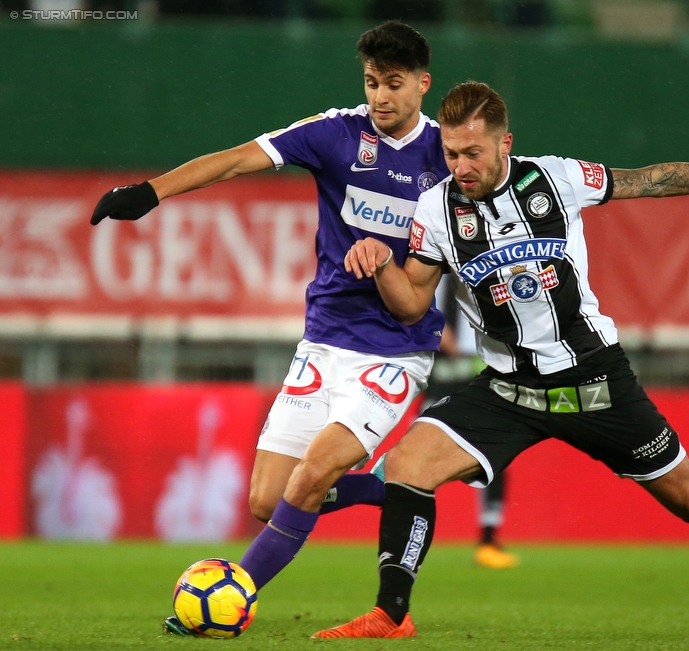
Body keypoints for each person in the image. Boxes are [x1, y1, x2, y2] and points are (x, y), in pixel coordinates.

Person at [326, 81, 689, 640]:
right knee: (409, 464)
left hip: (594, 379)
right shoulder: (434, 210)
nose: (461, 165)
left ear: (506, 143)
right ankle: (391, 614)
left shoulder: (556, 179)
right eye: (452, 153)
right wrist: (383, 263)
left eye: (473, 153)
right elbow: (411, 305)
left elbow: (652, 179)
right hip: (509, 388)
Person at [88, 21, 449, 635]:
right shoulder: (336, 134)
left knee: (311, 476)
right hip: (323, 340)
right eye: (371, 83)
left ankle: (235, 596)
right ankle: (393, 486)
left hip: (393, 351)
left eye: (393, 84)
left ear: (422, 83)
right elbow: (235, 161)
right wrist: (150, 193)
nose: (380, 97)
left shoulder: (446, 155)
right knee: (267, 500)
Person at [432, 275, 519, 569]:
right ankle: (403, 526)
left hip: (480, 367)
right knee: (420, 454)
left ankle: (488, 539)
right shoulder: (430, 262)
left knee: (494, 454)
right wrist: (436, 326)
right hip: (438, 369)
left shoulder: (486, 267)